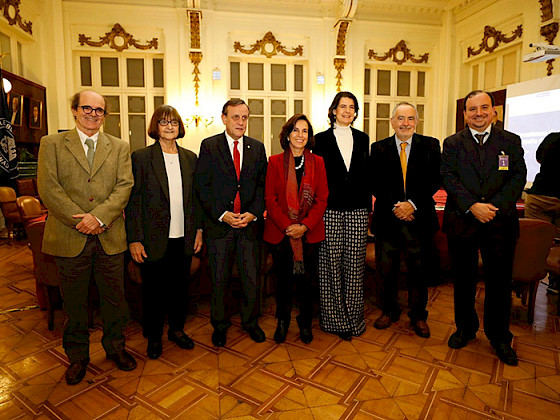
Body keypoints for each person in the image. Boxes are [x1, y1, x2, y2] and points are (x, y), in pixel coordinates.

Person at [37, 90, 136, 385]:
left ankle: (115, 348)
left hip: (110, 236)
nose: (93, 115)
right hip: (70, 236)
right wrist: (80, 220)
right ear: (75, 111)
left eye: (99, 111)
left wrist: (100, 217)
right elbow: (48, 188)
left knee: (114, 301)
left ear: (105, 115)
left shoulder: (119, 147)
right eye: (87, 109)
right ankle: (78, 357)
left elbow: (124, 186)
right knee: (75, 304)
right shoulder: (51, 144)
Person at [441, 90, 526, 366]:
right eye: (472, 109)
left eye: (484, 108)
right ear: (465, 114)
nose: (479, 113)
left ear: (494, 112)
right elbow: (448, 178)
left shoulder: (510, 141)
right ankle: (465, 328)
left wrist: (495, 207)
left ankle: (500, 337)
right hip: (463, 220)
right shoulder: (452, 143)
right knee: (463, 280)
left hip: (499, 222)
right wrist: (472, 206)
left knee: (499, 282)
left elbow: (518, 176)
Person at [125, 105, 203, 359]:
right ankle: (154, 336)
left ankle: (177, 330)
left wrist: (199, 230)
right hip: (153, 238)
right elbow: (133, 202)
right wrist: (134, 239)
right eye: (164, 122)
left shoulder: (191, 158)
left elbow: (197, 200)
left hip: (184, 236)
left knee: (180, 288)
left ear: (180, 127)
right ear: (155, 127)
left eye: (174, 123)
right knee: (154, 291)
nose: (169, 127)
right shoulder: (141, 157)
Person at [195, 98, 267, 347]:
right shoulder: (209, 146)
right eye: (235, 117)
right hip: (220, 227)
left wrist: (253, 213)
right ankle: (220, 325)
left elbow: (261, 186)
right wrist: (222, 214)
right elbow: (202, 187)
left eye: (244, 117)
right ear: (224, 118)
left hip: (249, 227)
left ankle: (250, 322)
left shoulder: (257, 148)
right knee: (219, 279)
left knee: (251, 278)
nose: (240, 122)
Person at [370, 102, 441, 338]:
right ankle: (389, 311)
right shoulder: (378, 148)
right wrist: (397, 207)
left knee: (418, 272)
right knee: (386, 270)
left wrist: (412, 204)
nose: (405, 123)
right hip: (388, 220)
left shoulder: (431, 145)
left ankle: (418, 316)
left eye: (410, 118)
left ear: (417, 122)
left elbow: (434, 180)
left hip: (419, 219)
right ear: (392, 122)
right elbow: (376, 182)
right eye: (400, 118)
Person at [264, 114, 328, 344]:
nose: (300, 135)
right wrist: (288, 227)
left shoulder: (318, 162)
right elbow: (270, 200)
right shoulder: (273, 162)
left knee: (308, 283)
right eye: (296, 131)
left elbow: (322, 198)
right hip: (281, 234)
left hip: (310, 234)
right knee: (283, 282)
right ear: (287, 135)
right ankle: (282, 322)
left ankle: (305, 322)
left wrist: (304, 226)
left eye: (305, 131)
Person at [313, 91, 370, 340]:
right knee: (330, 267)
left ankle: (354, 319)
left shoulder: (363, 138)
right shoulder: (319, 140)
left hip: (357, 210)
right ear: (333, 110)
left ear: (356, 112)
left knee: (355, 267)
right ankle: (334, 320)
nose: (347, 110)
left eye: (352, 107)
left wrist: (368, 210)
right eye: (342, 106)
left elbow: (365, 175)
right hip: (330, 210)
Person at [524, 132, 560, 293]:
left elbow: (538, 157)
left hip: (539, 196)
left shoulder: (552, 138)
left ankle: (526, 285)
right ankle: (555, 283)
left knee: (533, 244)